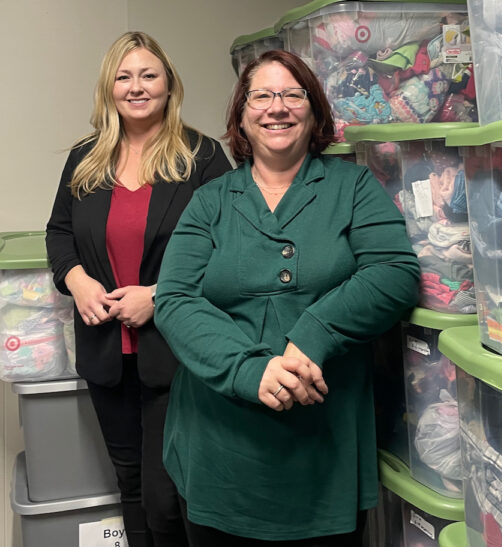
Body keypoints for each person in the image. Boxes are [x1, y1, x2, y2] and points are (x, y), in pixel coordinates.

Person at [153, 49, 421, 545]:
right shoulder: (210, 201)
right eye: (261, 96)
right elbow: (174, 299)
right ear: (241, 115)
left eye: (292, 95)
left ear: (314, 111)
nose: (277, 107)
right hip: (219, 450)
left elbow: (395, 272)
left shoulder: (354, 186)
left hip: (325, 448)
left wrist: (310, 337)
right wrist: (250, 370)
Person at [45, 31, 232, 547]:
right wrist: (77, 280)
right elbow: (59, 232)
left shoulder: (201, 157)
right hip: (106, 352)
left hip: (177, 354)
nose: (136, 86)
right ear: (109, 89)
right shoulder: (86, 158)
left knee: (167, 499)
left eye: (148, 74)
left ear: (169, 85)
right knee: (129, 483)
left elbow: (231, 246)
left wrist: (160, 295)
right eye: (124, 77)